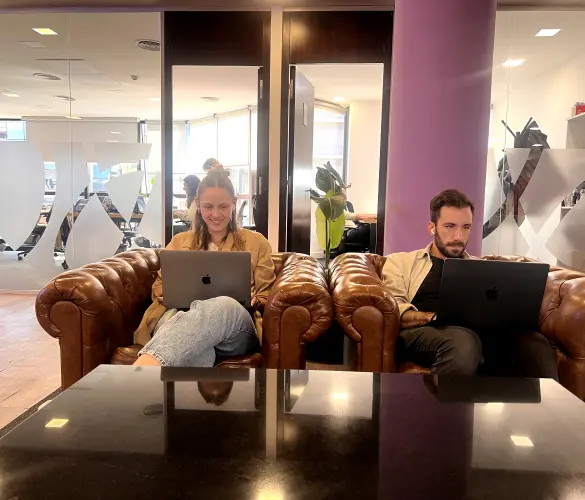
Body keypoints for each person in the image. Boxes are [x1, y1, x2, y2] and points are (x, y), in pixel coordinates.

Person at [382, 188, 558, 379]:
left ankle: (548, 409)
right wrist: (433, 317)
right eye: (450, 226)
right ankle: (436, 409)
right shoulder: (400, 262)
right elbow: (394, 309)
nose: (458, 236)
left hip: (476, 333)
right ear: (432, 227)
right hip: (422, 333)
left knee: (535, 343)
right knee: (463, 342)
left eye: (466, 227)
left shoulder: (482, 269)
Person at [133, 164, 275, 367]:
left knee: (223, 304)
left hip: (235, 328)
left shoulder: (257, 242)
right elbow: (159, 287)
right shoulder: (179, 241)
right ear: (198, 204)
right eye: (209, 207)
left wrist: (257, 300)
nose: (216, 214)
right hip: (182, 316)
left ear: (233, 204)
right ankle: (175, 397)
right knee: (197, 349)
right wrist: (169, 294)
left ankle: (140, 373)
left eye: (223, 207)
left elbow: (267, 293)